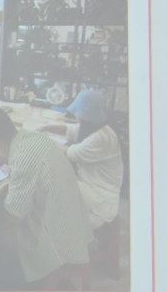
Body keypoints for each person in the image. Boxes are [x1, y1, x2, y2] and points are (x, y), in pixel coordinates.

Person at [0, 108, 92, 289]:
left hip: (58, 240)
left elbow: (14, 215)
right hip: (72, 224)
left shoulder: (23, 159)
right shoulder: (34, 139)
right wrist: (9, 161)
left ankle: (4, 287)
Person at [41, 89, 123, 229]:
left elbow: (72, 152)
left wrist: (42, 138)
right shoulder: (97, 128)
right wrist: (44, 127)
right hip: (93, 187)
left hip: (101, 199)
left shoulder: (100, 138)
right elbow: (69, 129)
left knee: (53, 182)